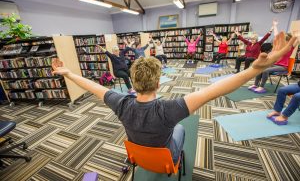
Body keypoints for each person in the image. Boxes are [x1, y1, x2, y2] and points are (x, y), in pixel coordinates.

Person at [52, 32, 295, 162]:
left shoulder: (120, 102)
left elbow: (92, 86)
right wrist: (255, 69)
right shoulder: (170, 109)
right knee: (180, 130)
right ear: (159, 83)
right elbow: (218, 89)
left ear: (133, 83)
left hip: (136, 154)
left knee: (174, 127)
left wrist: (68, 72)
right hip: (165, 156)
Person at [249, 20, 298, 93]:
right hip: (275, 64)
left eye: (286, 40)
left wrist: (297, 35)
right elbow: (276, 35)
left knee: (265, 70)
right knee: (261, 68)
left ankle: (261, 87)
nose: (283, 42)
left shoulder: (291, 47)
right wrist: (275, 25)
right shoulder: (281, 46)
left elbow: (297, 41)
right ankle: (255, 84)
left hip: (283, 67)